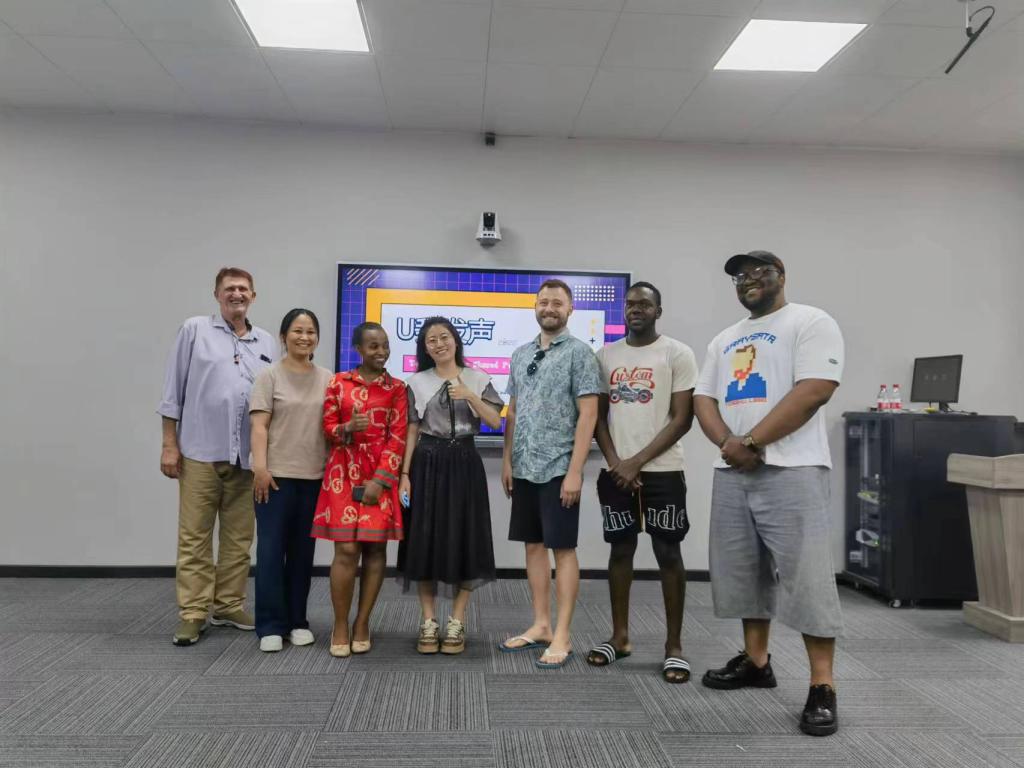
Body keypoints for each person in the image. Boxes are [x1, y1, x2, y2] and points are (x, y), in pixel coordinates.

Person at [693, 250, 844, 736]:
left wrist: (753, 441)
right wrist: (729, 444)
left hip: (793, 469)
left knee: (808, 578)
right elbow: (703, 398)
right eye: (740, 275)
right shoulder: (724, 338)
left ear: (782, 276)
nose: (748, 280)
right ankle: (756, 662)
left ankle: (822, 685)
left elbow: (815, 389)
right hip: (733, 470)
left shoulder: (810, 321)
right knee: (744, 574)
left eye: (759, 271)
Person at [159, 267, 275, 646]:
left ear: (253, 296)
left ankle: (228, 605)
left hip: (247, 459)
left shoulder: (266, 341)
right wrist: (169, 444)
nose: (236, 294)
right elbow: (173, 391)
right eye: (229, 288)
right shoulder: (195, 330)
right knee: (194, 537)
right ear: (217, 294)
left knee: (239, 539)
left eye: (243, 289)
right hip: (199, 452)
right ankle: (193, 612)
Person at [589, 282, 698, 683]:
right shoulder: (605, 355)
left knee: (668, 553)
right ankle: (619, 638)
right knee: (620, 551)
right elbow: (598, 418)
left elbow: (683, 419)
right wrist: (617, 463)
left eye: (645, 304)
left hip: (664, 471)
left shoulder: (677, 353)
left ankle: (674, 646)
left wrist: (636, 462)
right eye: (630, 304)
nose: (636, 309)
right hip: (616, 472)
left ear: (658, 311)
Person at [499, 279, 601, 669]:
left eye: (557, 303)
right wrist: (507, 460)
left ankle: (562, 633)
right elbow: (513, 410)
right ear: (535, 307)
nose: (549, 308)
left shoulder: (580, 354)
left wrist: (575, 472)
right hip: (524, 466)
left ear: (570, 309)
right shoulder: (521, 354)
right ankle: (541, 624)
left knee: (563, 549)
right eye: (544, 302)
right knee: (533, 546)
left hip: (559, 467)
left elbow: (588, 415)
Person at [397, 317, 503, 654]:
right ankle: (428, 621)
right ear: (425, 348)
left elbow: (494, 420)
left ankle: (457, 619)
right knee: (423, 539)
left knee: (466, 537)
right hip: (427, 463)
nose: (439, 344)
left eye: (444, 337)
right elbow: (412, 429)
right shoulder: (416, 382)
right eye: (432, 340)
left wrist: (469, 394)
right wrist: (404, 474)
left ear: (456, 340)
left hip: (465, 463)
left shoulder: (478, 378)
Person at [312, 322, 407, 657]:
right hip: (343, 473)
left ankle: (363, 622)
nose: (381, 352)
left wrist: (380, 481)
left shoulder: (397, 388)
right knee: (347, 550)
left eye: (385, 345)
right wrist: (348, 427)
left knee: (375, 550)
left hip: (380, 475)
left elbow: (398, 438)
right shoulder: (338, 383)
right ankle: (340, 624)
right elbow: (327, 428)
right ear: (358, 349)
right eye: (373, 346)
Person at [249, 308, 333, 653]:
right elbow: (259, 426)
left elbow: (331, 428)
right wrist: (260, 469)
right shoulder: (268, 376)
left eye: (311, 331)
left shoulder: (328, 378)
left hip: (314, 478)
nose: (304, 337)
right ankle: (270, 624)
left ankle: (298, 621)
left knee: (302, 554)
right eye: (297, 331)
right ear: (283, 337)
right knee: (270, 553)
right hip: (275, 478)